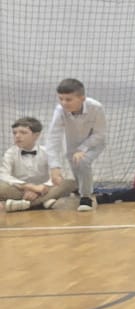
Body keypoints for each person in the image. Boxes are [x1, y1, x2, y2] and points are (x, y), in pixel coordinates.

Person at [47, 78, 108, 211]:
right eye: (61, 99)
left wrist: (82, 149)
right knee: (76, 168)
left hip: (94, 143)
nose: (64, 103)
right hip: (72, 145)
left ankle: (86, 197)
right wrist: (54, 166)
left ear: (82, 98)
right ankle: (80, 189)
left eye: (68, 99)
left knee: (83, 161)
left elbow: (100, 134)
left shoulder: (96, 107)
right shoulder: (60, 111)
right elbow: (53, 138)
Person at [2, 116, 56, 212]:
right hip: (19, 189)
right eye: (14, 133)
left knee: (68, 182)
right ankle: (43, 201)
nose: (17, 136)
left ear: (36, 135)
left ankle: (23, 203)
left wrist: (43, 188)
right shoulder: (10, 153)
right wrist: (28, 187)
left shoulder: (47, 152)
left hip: (43, 189)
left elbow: (54, 175)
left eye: (23, 132)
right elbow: (4, 175)